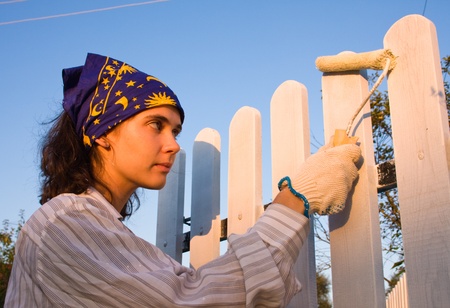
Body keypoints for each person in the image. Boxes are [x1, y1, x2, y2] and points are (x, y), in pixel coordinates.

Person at [5, 53, 361, 307]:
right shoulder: (63, 222)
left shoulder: (100, 229)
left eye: (175, 130)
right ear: (102, 133)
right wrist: (296, 199)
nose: (173, 144)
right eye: (156, 125)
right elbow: (192, 300)